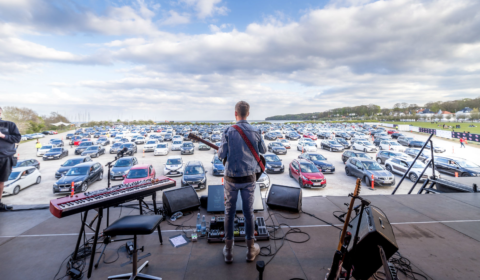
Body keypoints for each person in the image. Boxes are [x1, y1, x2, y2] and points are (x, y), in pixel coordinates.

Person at [218, 101, 267, 263]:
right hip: (249, 179)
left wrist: (221, 152)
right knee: (248, 213)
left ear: (235, 113)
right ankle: (250, 250)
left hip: (231, 179)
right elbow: (263, 151)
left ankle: (229, 252)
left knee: (229, 213)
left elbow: (222, 153)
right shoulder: (256, 130)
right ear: (248, 114)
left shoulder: (228, 131)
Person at [0, 107, 22, 211]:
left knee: (1, 181)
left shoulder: (9, 124)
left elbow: (17, 138)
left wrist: (2, 135)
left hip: (5, 157)